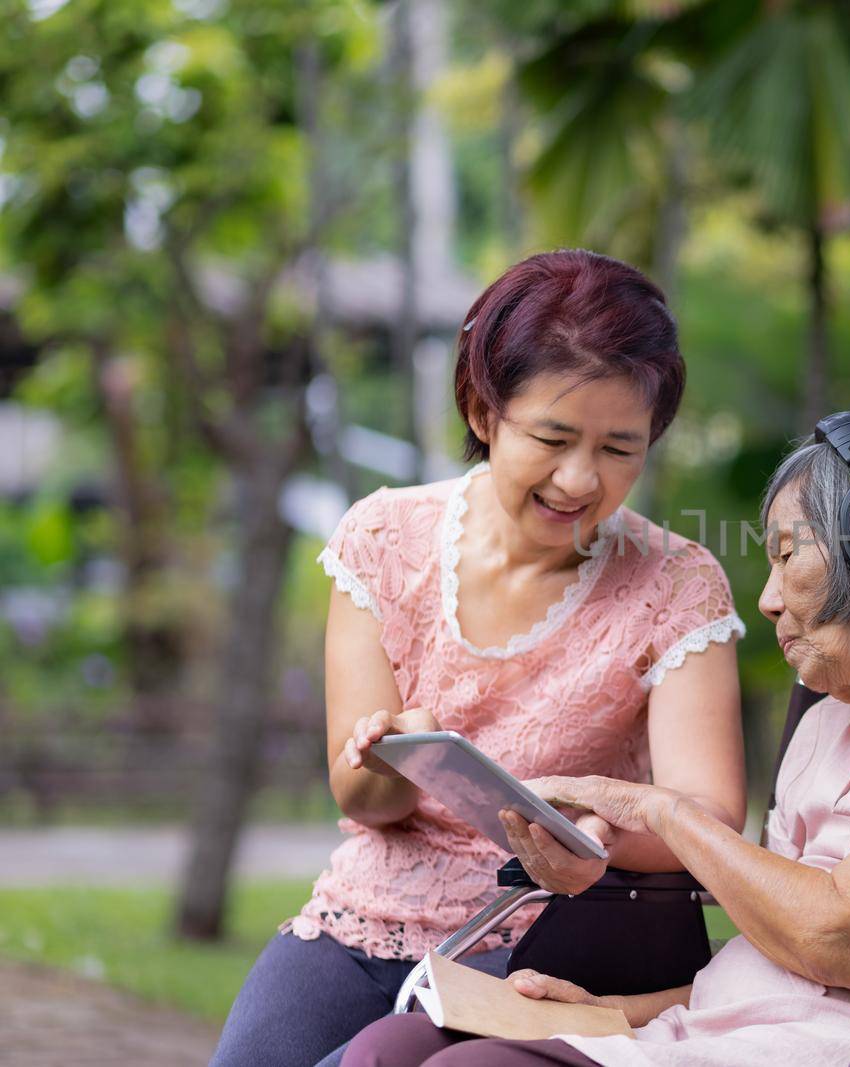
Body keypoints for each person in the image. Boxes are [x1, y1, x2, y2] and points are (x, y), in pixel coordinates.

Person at [339, 415, 850, 1067]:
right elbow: (777, 966)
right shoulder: (830, 723)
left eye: (787, 554)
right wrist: (613, 1012)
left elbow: (835, 940)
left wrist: (663, 810)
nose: (767, 598)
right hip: (739, 1035)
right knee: (388, 1051)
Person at [211, 251, 749, 1067]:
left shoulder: (677, 585)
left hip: (554, 933)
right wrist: (400, 757)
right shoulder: (384, 539)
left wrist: (598, 835)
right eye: (553, 437)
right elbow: (361, 797)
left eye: (619, 448)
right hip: (368, 916)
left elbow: (707, 815)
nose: (580, 478)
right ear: (483, 408)